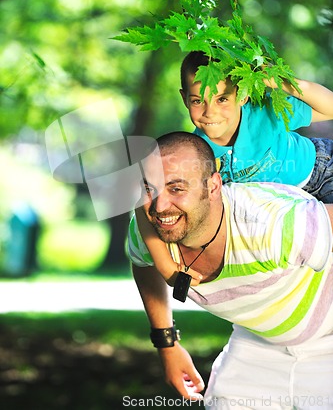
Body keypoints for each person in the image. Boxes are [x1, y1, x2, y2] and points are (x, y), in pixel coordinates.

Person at [129, 131, 333, 408]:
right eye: (150, 188)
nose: (160, 205)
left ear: (213, 186)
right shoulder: (150, 234)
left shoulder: (273, 224)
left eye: (176, 188)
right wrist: (167, 343)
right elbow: (143, 264)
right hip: (256, 345)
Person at [134, 51, 333, 286]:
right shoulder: (195, 152)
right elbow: (143, 197)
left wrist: (275, 79)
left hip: (320, 170)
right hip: (283, 206)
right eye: (198, 101)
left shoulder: (266, 112)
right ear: (185, 98)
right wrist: (166, 267)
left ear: (243, 95)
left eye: (222, 99)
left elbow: (329, 107)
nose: (210, 112)